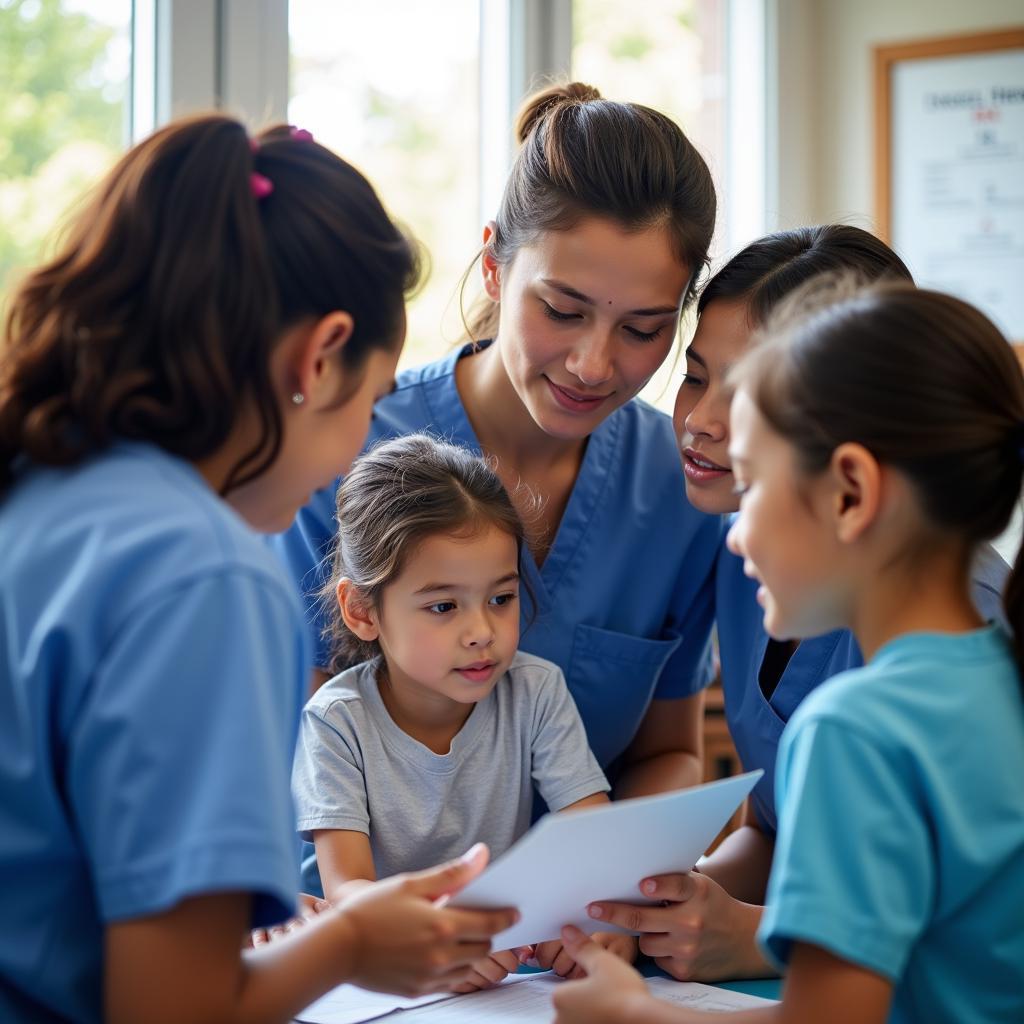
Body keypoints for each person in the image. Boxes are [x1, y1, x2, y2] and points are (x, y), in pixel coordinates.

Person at [0, 114, 517, 1024]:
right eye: (373, 398)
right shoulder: (201, 575)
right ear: (317, 360)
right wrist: (355, 944)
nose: (361, 440)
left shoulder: (36, 494)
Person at [551, 279, 1024, 1023]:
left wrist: (633, 1015)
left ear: (849, 495)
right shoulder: (999, 679)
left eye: (757, 481)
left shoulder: (855, 730)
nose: (736, 532)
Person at [273, 82, 723, 832]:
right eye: (561, 310)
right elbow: (292, 747)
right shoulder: (342, 451)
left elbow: (669, 751)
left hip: (580, 933)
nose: (592, 364)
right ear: (494, 267)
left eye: (644, 328)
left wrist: (604, 883)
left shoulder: (677, 487)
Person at [292, 433, 635, 990]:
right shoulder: (336, 721)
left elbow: (589, 838)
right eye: (444, 606)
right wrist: (442, 945)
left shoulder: (536, 690)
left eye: (501, 598)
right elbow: (350, 895)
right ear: (361, 611)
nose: (482, 633)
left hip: (504, 971)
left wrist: (593, 922)